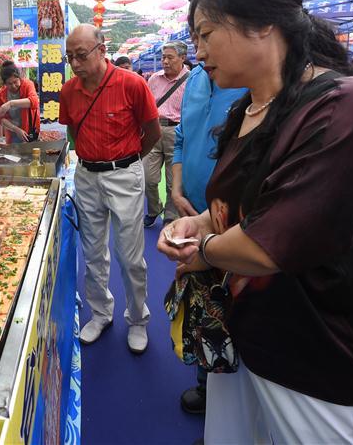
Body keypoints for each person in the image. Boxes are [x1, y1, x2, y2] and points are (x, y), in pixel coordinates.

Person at [159, 0, 353, 444]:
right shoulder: (248, 108)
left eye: (207, 33)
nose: (199, 51)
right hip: (249, 335)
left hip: (321, 350)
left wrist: (201, 254)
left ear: (262, 24)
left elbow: (275, 243)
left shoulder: (345, 104)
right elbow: (243, 204)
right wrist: (202, 223)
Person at [59, 24, 160, 354]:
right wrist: (92, 158)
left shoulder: (132, 84)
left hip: (124, 174)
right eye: (70, 56)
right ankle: (101, 313)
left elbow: (152, 132)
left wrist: (129, 163)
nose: (75, 63)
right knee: (93, 253)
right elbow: (74, 131)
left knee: (130, 255)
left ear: (102, 50)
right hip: (87, 175)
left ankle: (138, 319)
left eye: (81, 55)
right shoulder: (69, 90)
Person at [172, 21, 247, 417]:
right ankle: (207, 378)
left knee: (236, 301)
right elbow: (183, 135)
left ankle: (229, 394)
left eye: (207, 35)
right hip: (193, 207)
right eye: (195, 38)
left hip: (235, 217)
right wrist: (177, 186)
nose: (199, 50)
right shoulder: (198, 79)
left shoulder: (252, 81)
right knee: (200, 300)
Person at [142, 40, 190, 228]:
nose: (165, 61)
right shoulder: (154, 78)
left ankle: (170, 215)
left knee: (173, 181)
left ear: (182, 58)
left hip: (178, 131)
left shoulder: (192, 79)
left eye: (170, 57)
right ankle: (154, 209)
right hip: (154, 130)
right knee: (148, 178)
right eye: (163, 57)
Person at [0, 60, 40, 143]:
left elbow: (34, 102)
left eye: (15, 82)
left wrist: (10, 103)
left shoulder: (27, 85)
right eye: (9, 83)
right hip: (13, 134)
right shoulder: (0, 94)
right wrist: (16, 129)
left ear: (19, 77)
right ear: (4, 83)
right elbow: (1, 118)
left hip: (30, 131)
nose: (13, 86)